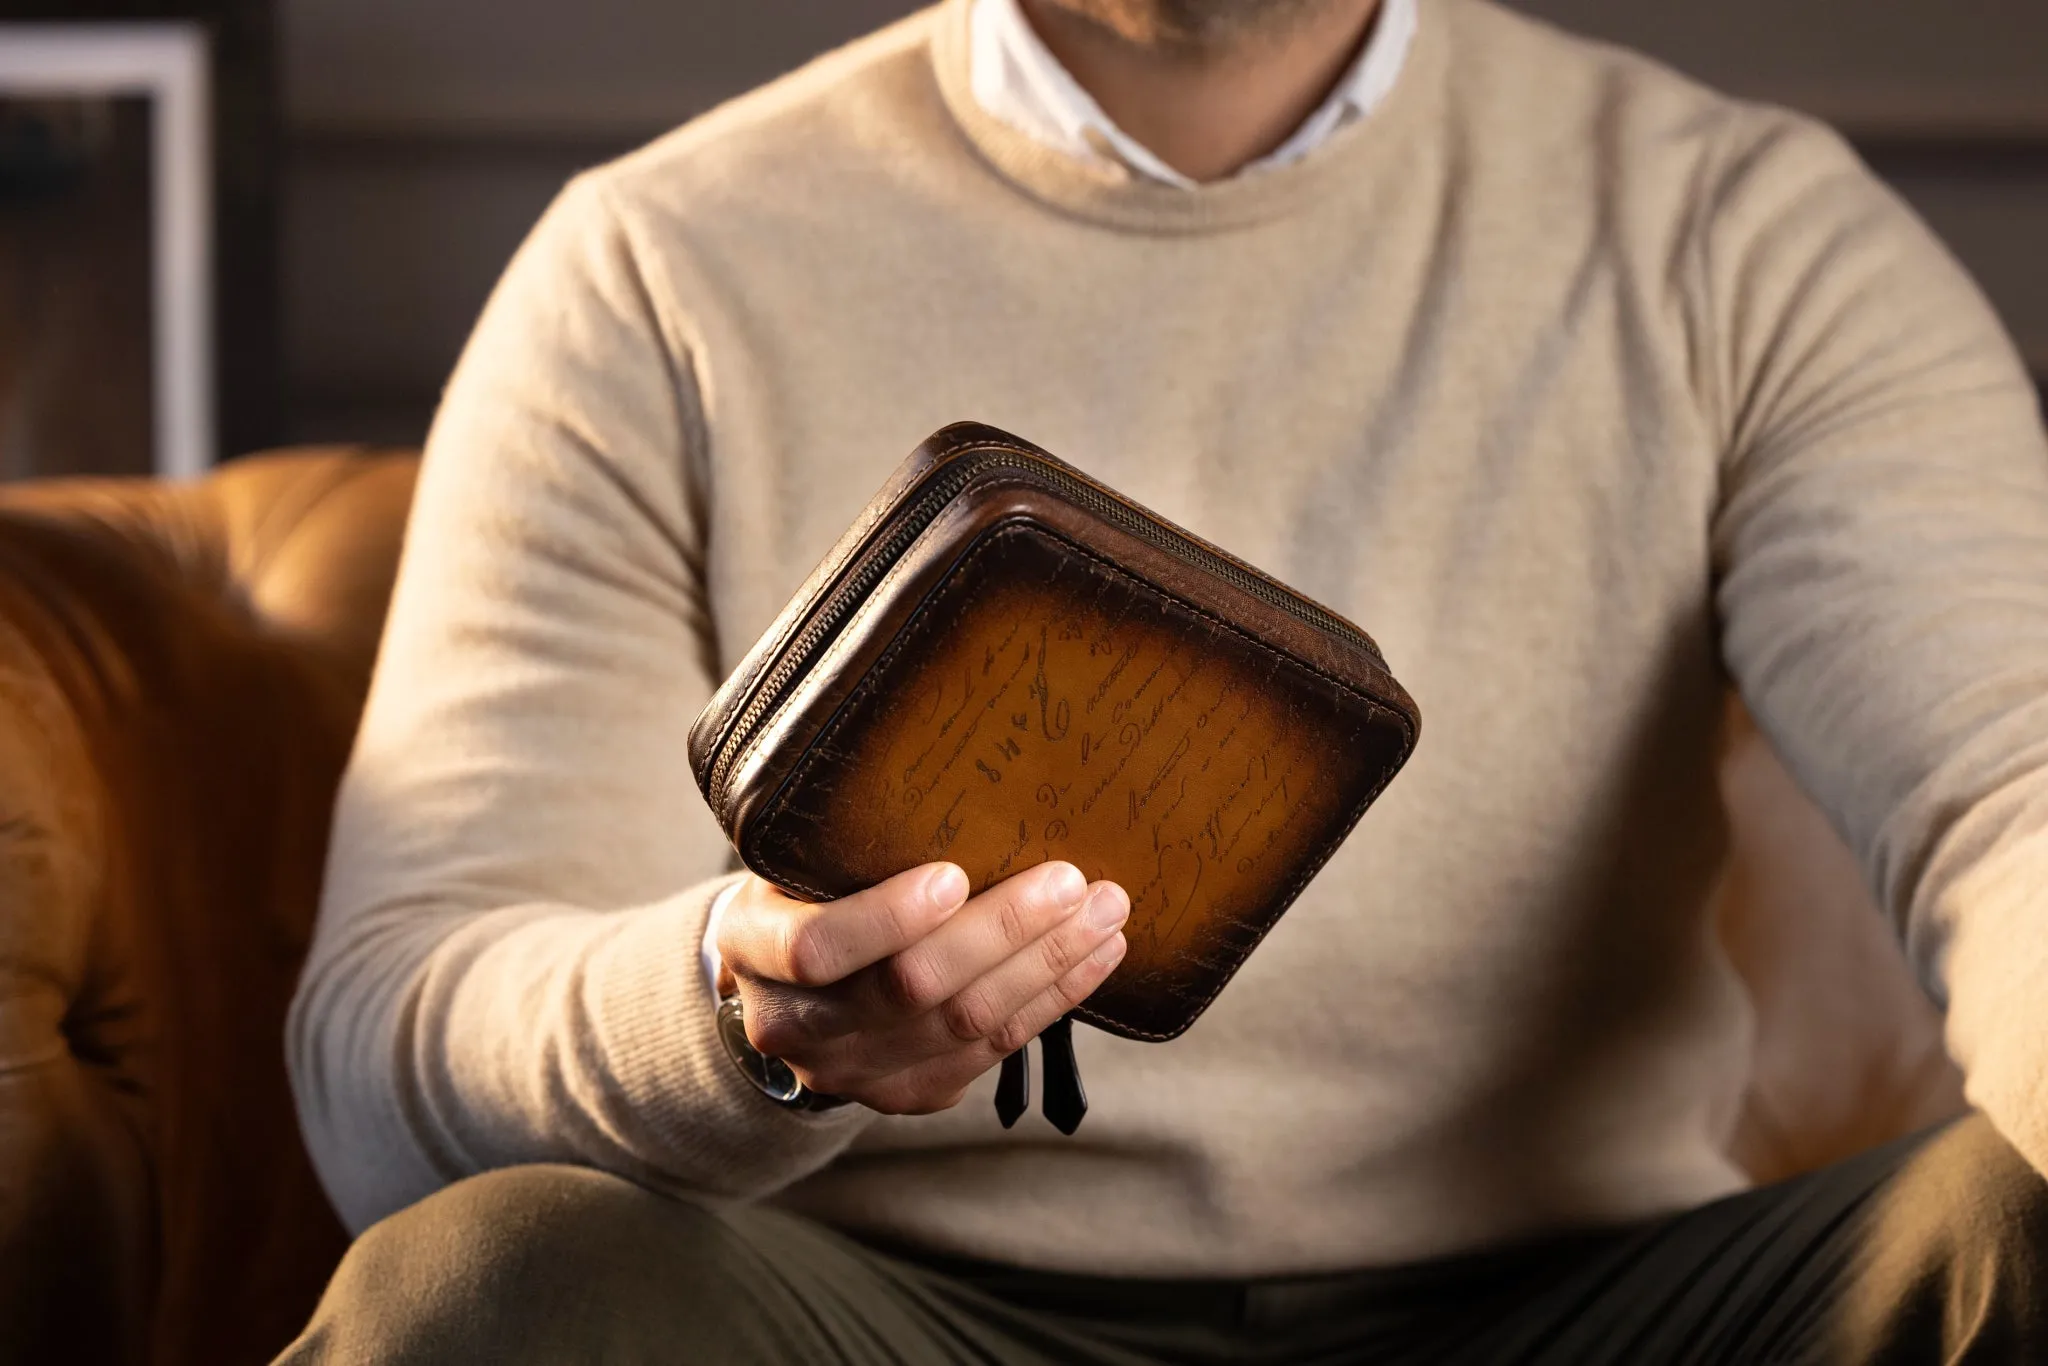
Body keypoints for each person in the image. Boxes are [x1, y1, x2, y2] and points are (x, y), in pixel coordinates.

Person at [276, 0, 2048, 1361]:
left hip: (1594, 1303)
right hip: (880, 1307)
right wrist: (748, 1029)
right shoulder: (657, 271)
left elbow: (2011, 789)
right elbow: (390, 1043)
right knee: (483, 1290)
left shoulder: (1741, 237)